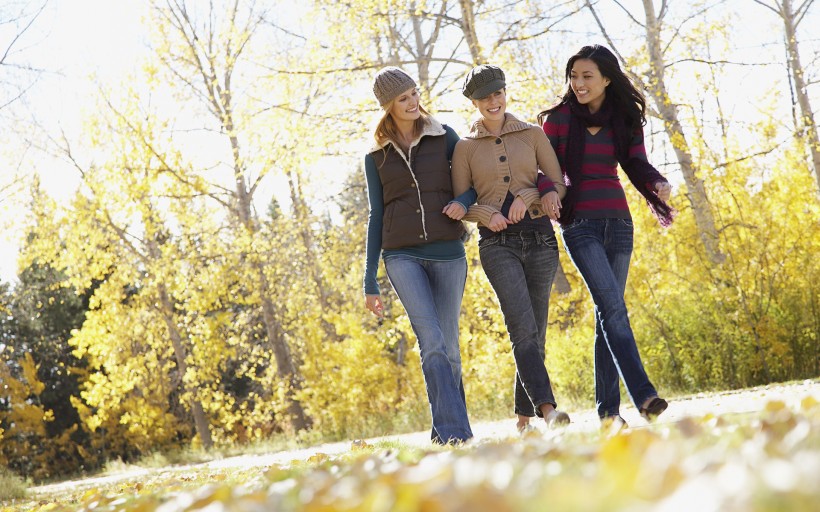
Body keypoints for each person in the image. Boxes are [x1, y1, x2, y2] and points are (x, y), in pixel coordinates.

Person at [537, 44, 675, 430]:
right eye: (574, 75)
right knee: (612, 307)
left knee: (606, 315)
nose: (578, 83)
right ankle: (645, 396)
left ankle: (609, 414)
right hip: (578, 224)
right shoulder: (558, 120)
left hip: (618, 221)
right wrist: (547, 189)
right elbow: (542, 169)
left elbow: (635, 163)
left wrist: (657, 182)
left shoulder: (625, 119)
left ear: (607, 80)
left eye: (587, 76)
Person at [450, 64, 571, 433]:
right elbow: (460, 204)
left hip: (540, 239)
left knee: (536, 331)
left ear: (505, 92)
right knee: (521, 328)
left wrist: (529, 194)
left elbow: (558, 185)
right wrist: (485, 213)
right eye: (484, 97)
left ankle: (522, 418)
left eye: (498, 93)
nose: (493, 101)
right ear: (473, 102)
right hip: (498, 246)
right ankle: (549, 411)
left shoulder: (533, 135)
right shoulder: (464, 148)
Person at [363, 66, 476, 445]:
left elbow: (472, 184)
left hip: (448, 252)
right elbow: (376, 215)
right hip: (401, 256)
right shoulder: (376, 156)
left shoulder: (444, 137)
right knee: (431, 342)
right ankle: (455, 434)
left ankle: (443, 427)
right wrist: (369, 280)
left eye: (414, 94)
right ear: (387, 107)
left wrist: (462, 202)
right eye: (403, 98)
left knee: (450, 350)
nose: (413, 102)